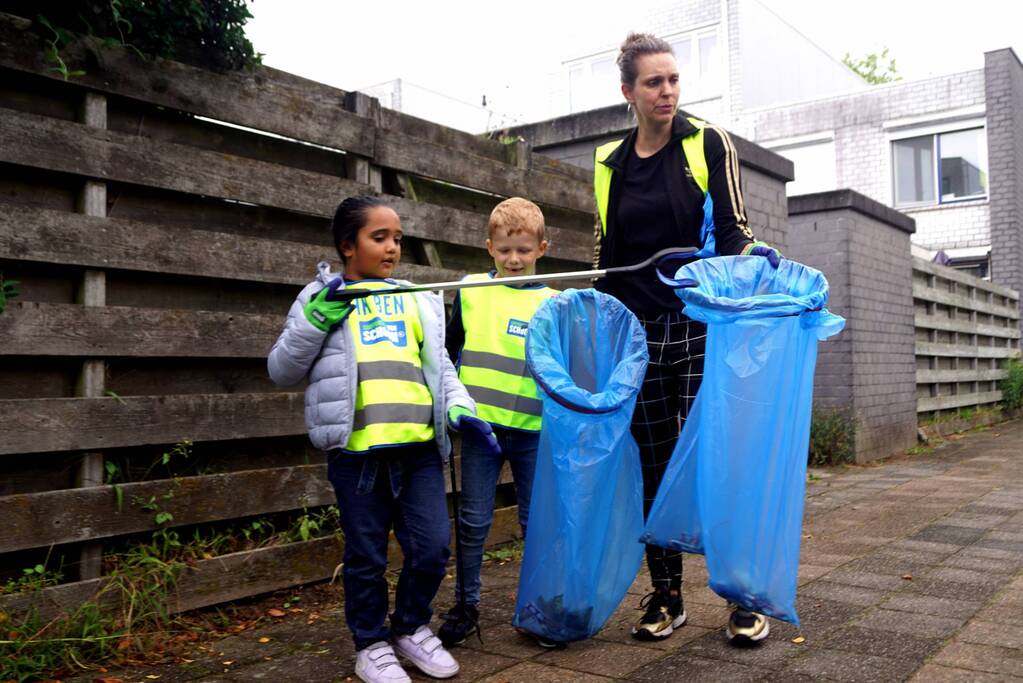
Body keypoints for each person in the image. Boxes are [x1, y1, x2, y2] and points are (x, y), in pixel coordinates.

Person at [593, 33, 781, 645]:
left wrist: (757, 260)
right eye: (654, 82)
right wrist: (599, 326)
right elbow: (607, 256)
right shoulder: (608, 163)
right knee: (653, 464)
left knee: (716, 459)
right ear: (629, 92)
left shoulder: (707, 143)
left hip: (701, 326)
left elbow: (733, 231)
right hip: (640, 335)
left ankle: (743, 596)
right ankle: (666, 595)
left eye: (673, 79)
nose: (668, 91)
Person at [267, 196, 500, 683]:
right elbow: (282, 369)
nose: (393, 247)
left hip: (418, 453)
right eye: (380, 237)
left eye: (397, 238)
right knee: (367, 557)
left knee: (434, 548)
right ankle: (369, 644)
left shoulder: (418, 297)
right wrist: (319, 316)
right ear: (348, 246)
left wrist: (461, 408)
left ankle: (411, 627)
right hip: (358, 458)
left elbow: (439, 370)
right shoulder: (319, 297)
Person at [437, 197, 558, 648]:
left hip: (532, 431)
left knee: (535, 521)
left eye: (524, 250)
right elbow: (450, 353)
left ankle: (539, 607)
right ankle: (466, 605)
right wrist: (450, 408)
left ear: (541, 248)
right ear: (489, 246)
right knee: (472, 521)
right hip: (480, 430)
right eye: (505, 250)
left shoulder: (554, 301)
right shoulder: (470, 290)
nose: (514, 259)